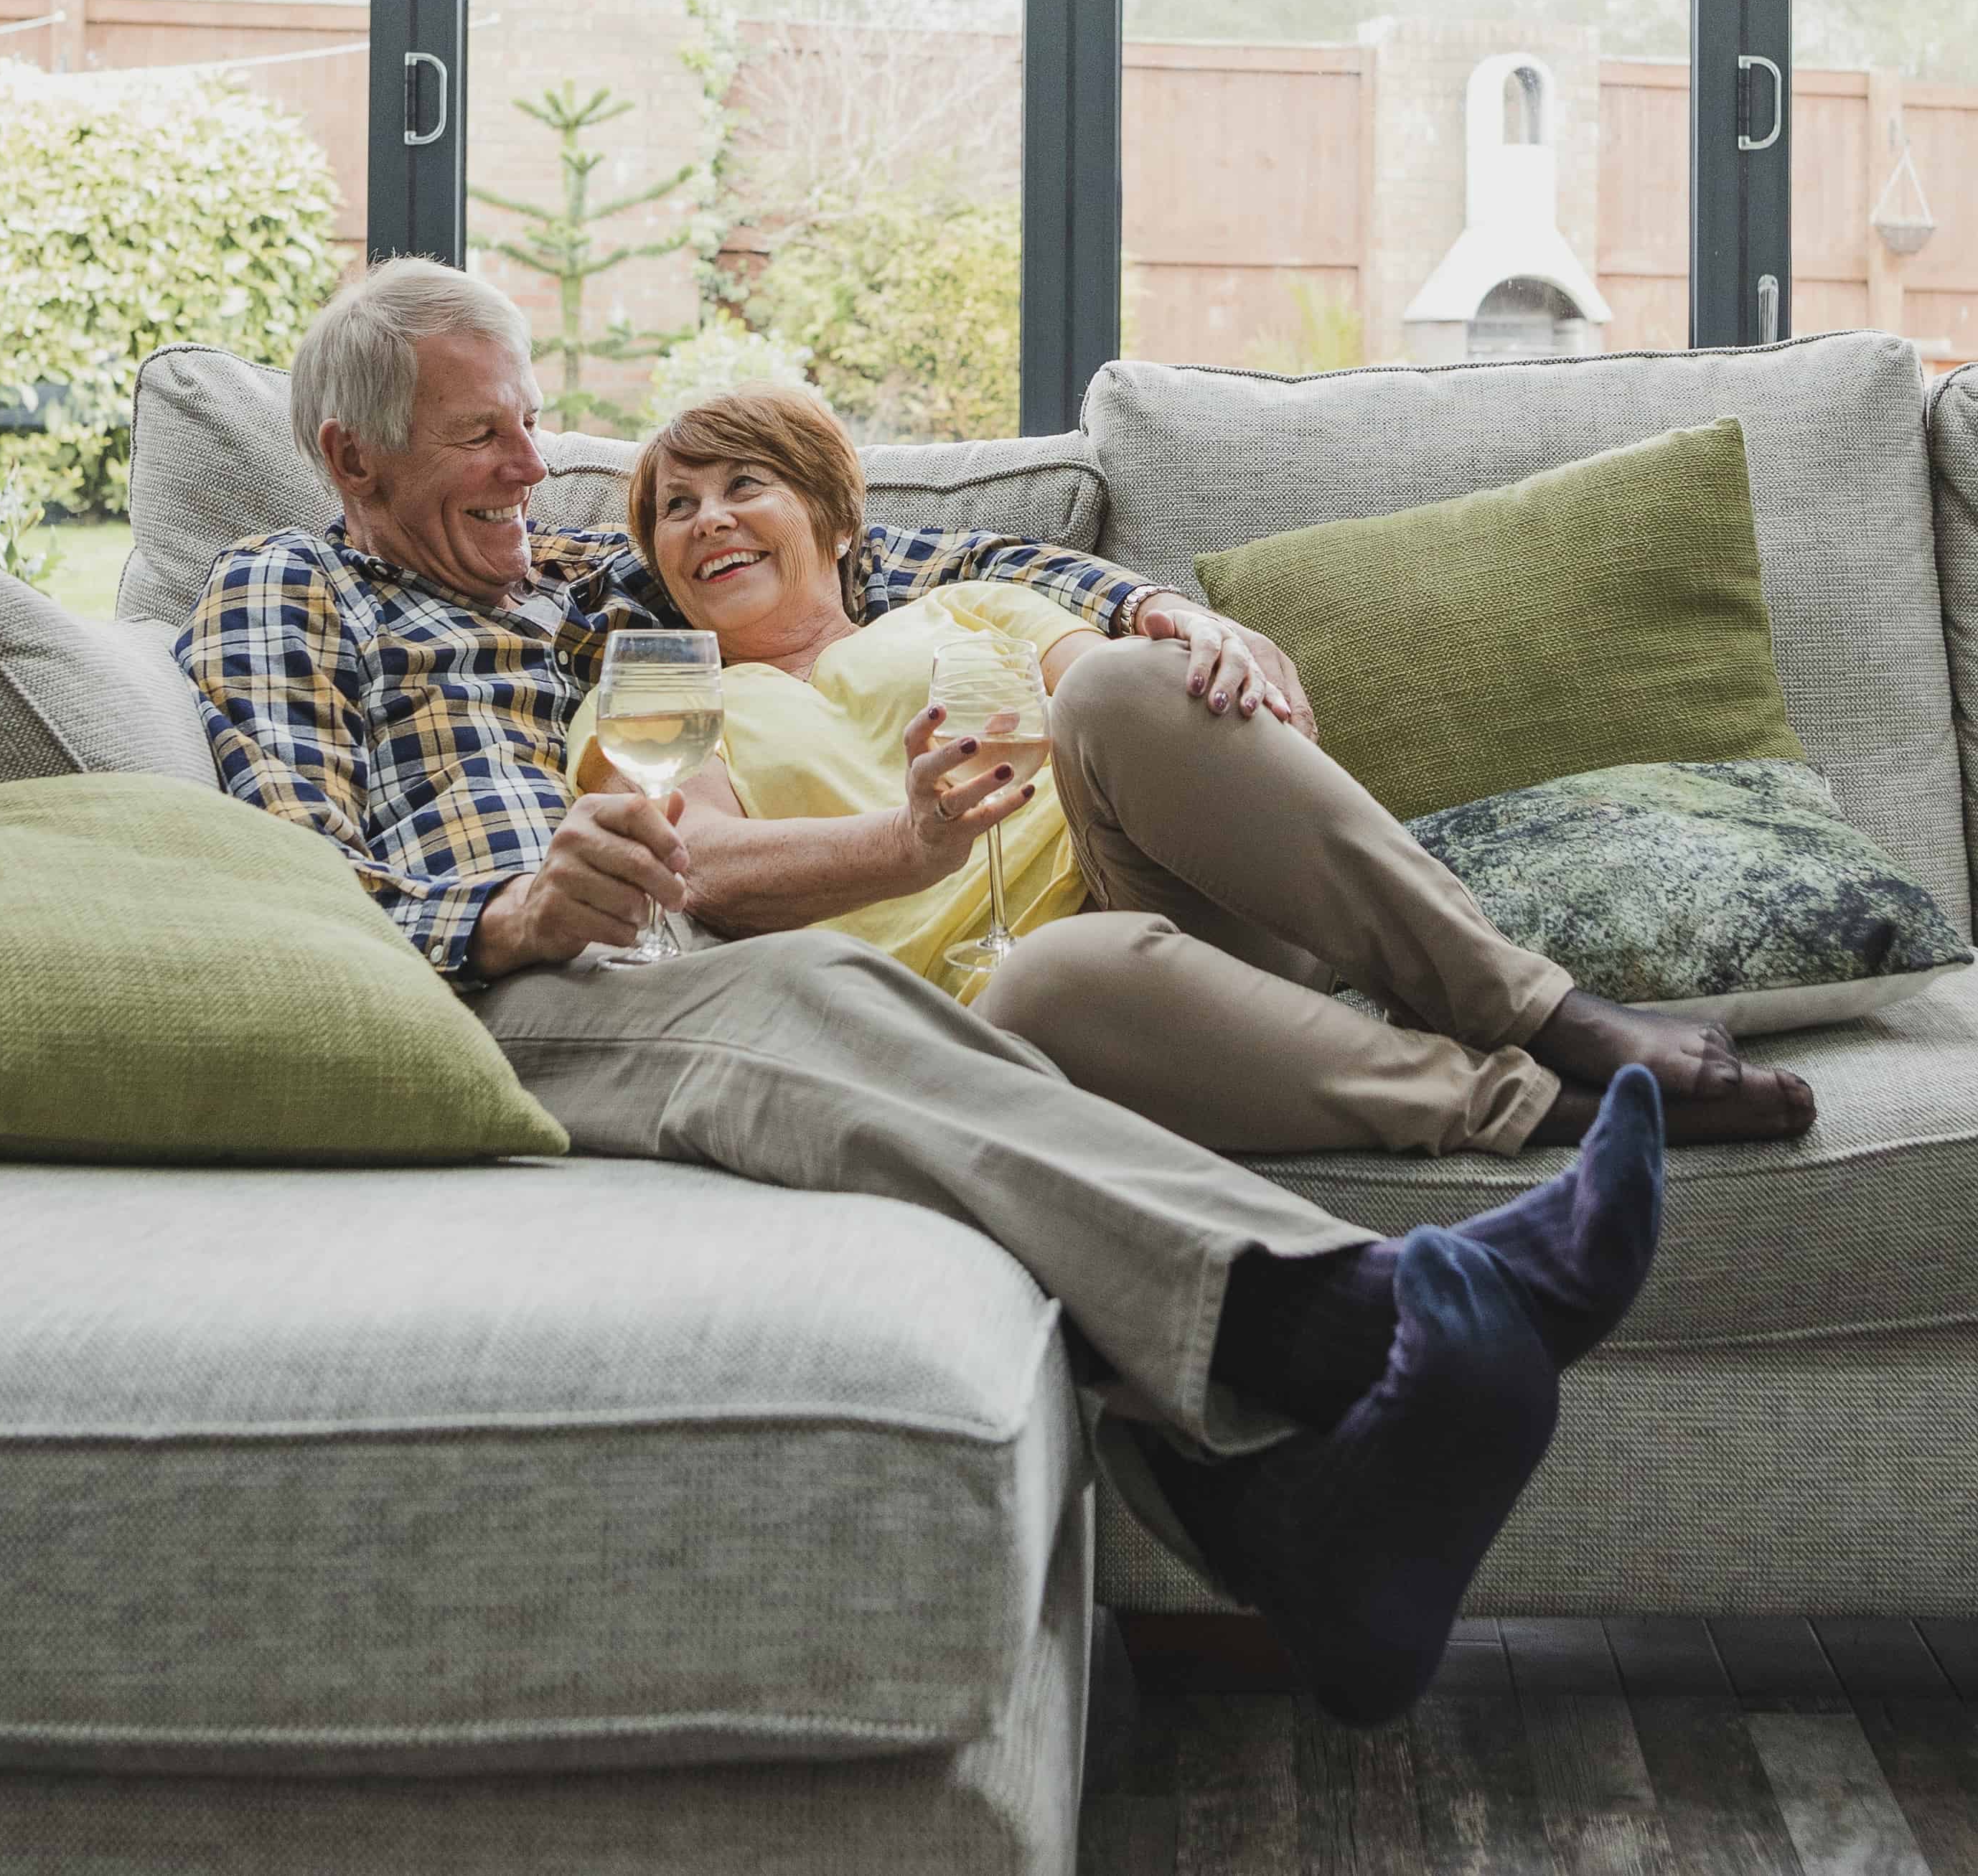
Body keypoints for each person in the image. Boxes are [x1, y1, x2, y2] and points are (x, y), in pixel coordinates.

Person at [179, 258, 1669, 1724]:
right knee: (814, 994)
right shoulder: (289, 588)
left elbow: (877, 565)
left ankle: (1283, 1511)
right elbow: (292, 879)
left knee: (865, 1010)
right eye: (482, 437)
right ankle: (1379, 1315)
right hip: (498, 997)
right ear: (351, 461)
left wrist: (1152, 612)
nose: (533, 462)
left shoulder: (576, 579)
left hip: (668, 959)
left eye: (529, 420)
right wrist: (506, 915)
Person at [606, 383, 1819, 1156]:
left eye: (741, 486)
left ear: (830, 519)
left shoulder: (976, 606)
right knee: (1053, 975)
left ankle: (1550, 1015)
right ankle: (1538, 1107)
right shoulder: (666, 687)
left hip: (1179, 904)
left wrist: (1205, 653)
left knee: (1127, 680)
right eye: (674, 507)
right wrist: (907, 842)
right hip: (1022, 1020)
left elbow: (1150, 724)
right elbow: (696, 867)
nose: (705, 518)